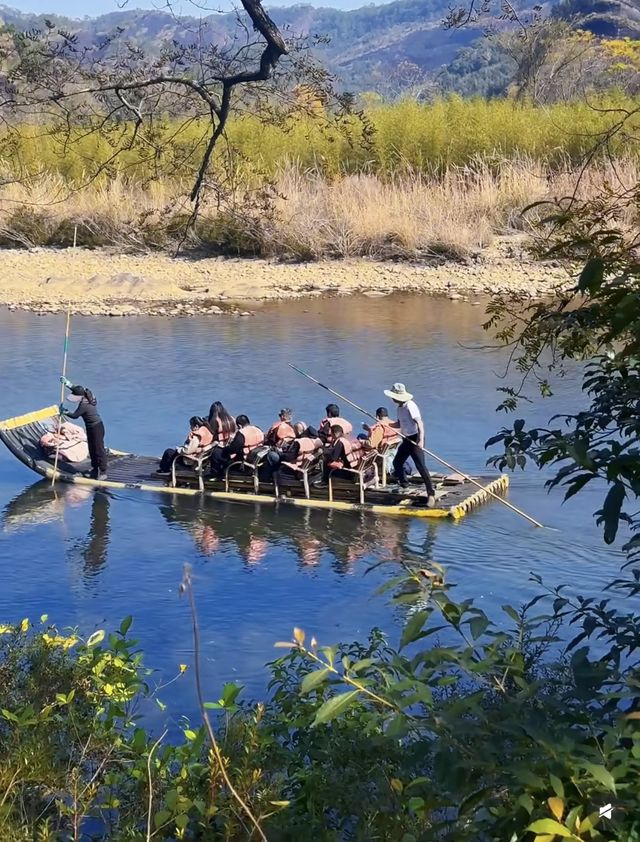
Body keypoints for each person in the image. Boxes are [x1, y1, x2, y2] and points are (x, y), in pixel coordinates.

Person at [383, 382, 436, 506]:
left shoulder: (410, 406)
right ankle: (404, 484)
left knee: (421, 466)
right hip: (407, 438)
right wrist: (386, 424)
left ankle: (431, 494)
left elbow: (420, 423)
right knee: (397, 462)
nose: (392, 399)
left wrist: (421, 440)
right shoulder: (399, 408)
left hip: (416, 437)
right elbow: (400, 424)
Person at [60, 379, 108, 480]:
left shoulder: (84, 405)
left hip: (96, 428)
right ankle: (95, 470)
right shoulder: (89, 394)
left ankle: (103, 471)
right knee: (91, 448)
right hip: (91, 427)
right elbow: (78, 389)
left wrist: (65, 412)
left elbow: (75, 416)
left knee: (99, 449)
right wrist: (68, 384)